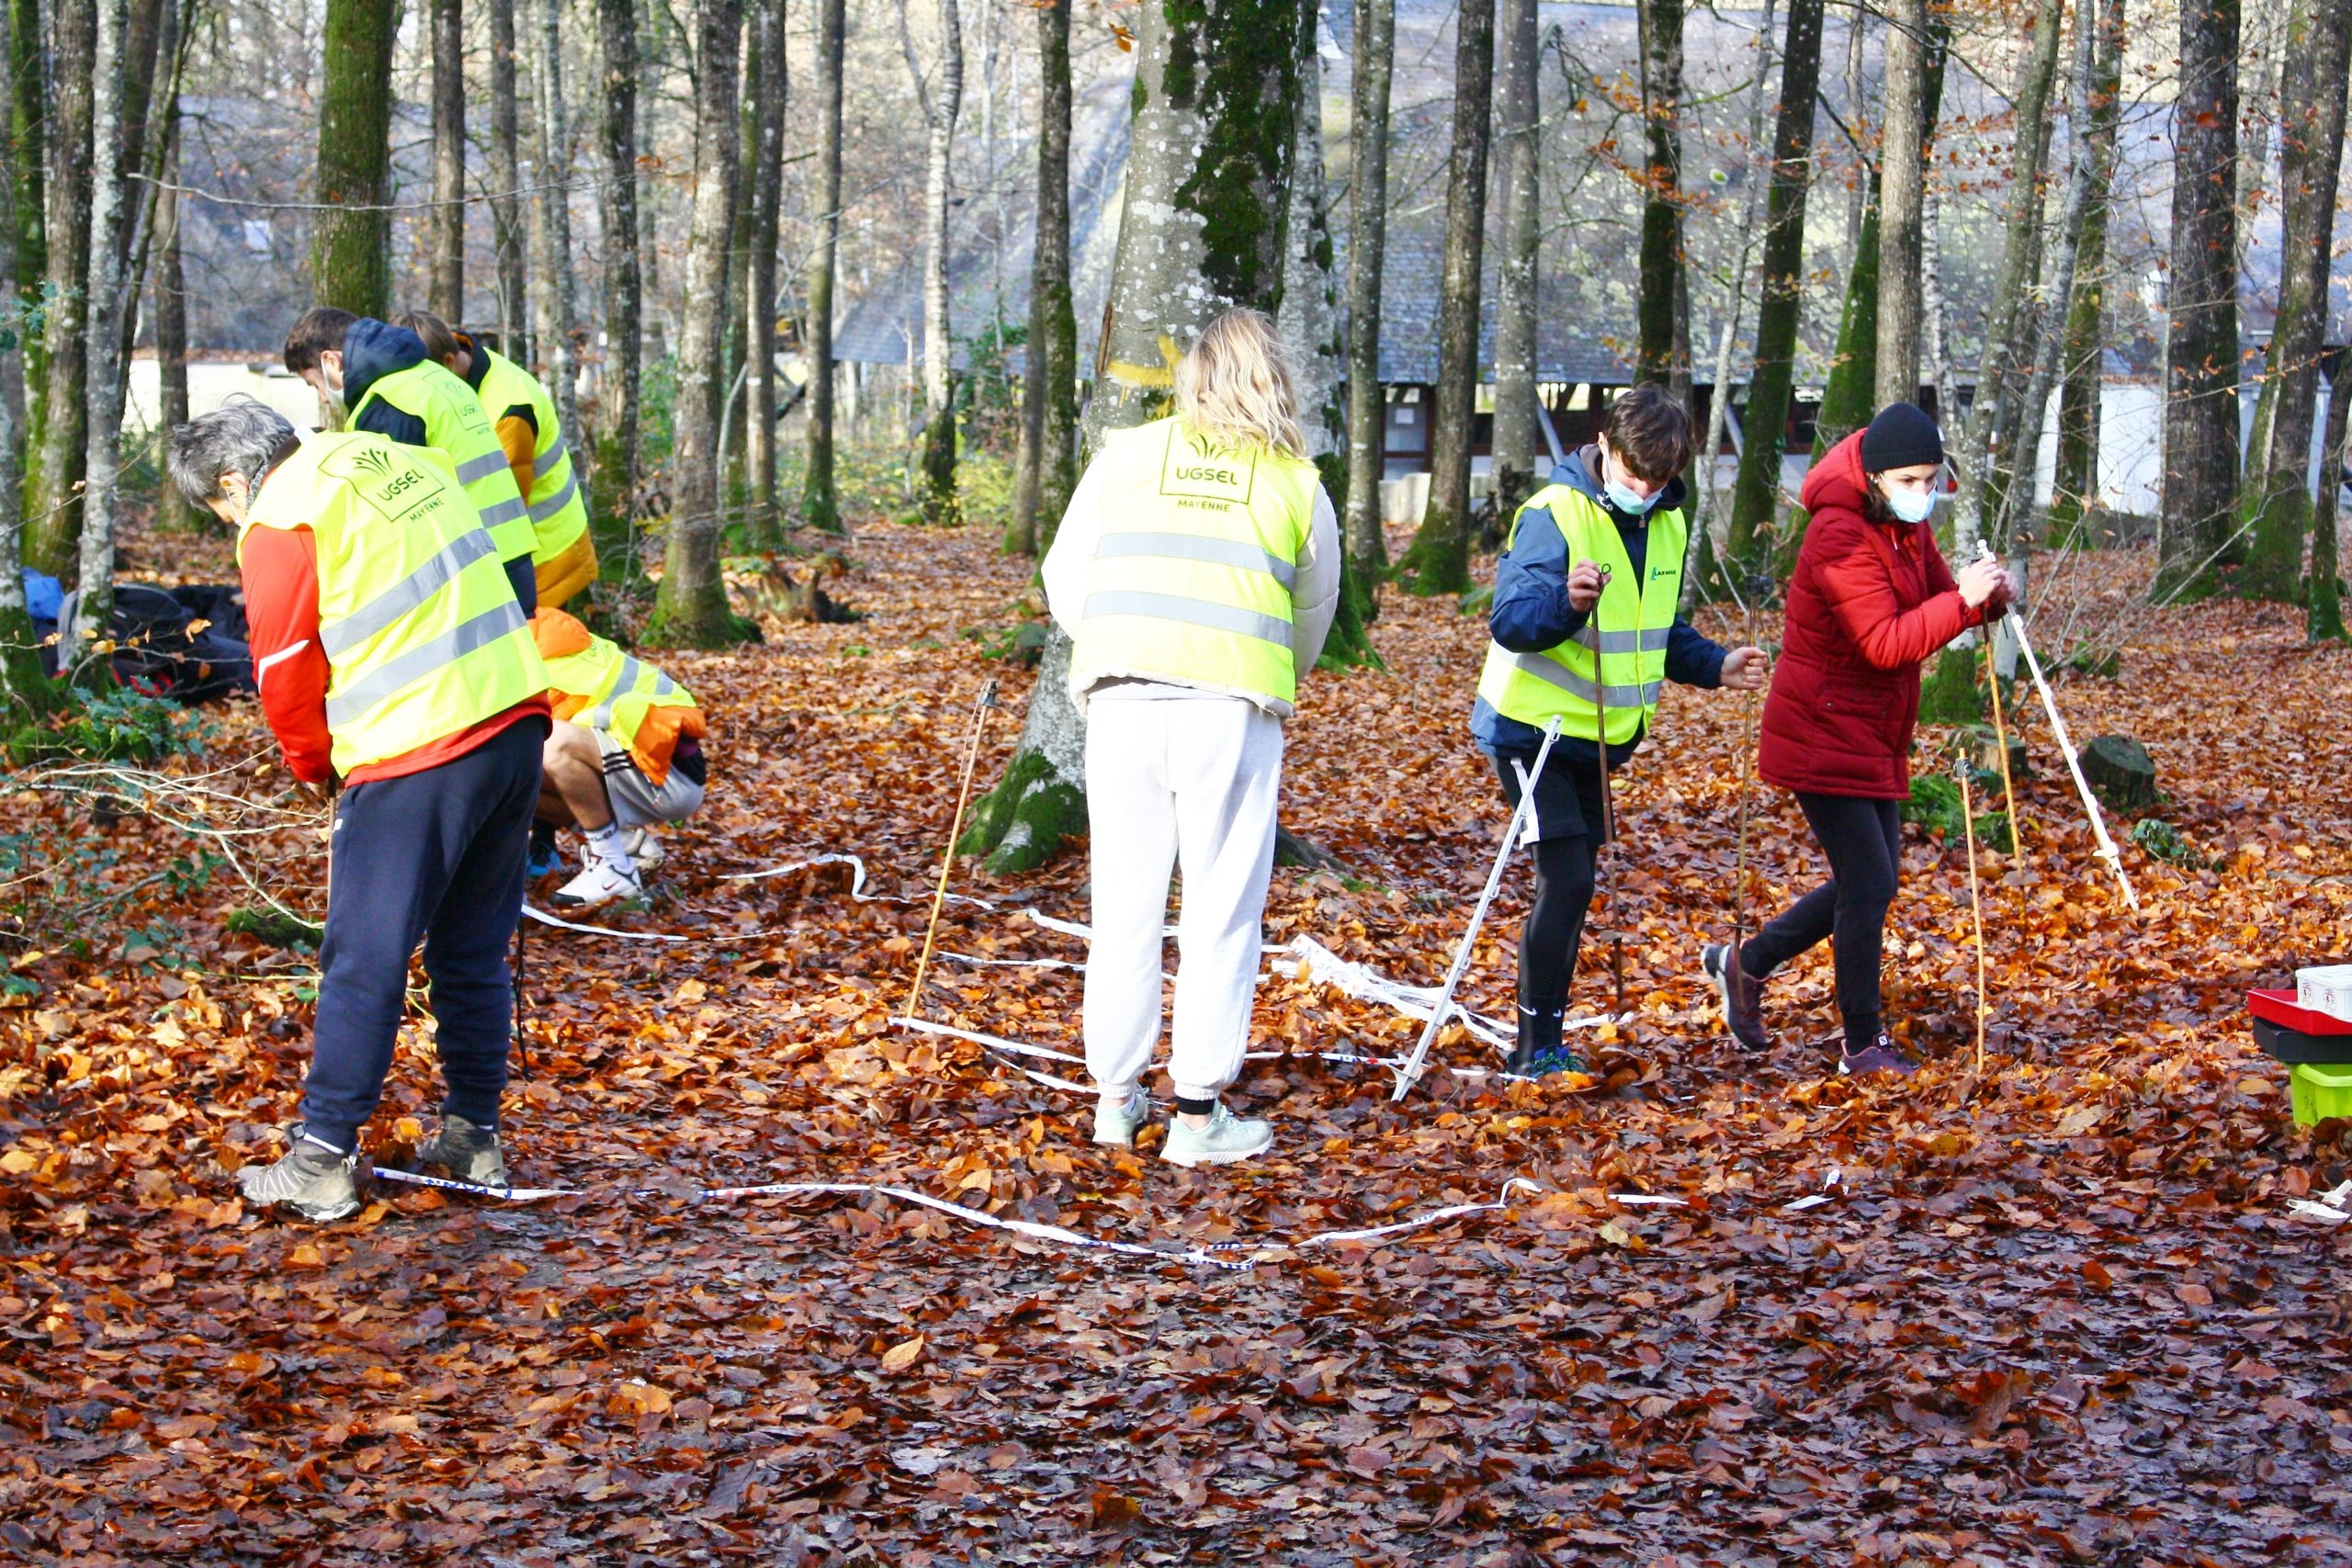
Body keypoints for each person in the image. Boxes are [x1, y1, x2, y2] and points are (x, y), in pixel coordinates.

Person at [167, 399, 550, 1221]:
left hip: (418, 746)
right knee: (471, 948)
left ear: (233, 480)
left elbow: (283, 669)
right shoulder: (390, 458)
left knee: (362, 957)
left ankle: (322, 1157)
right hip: (514, 718)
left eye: (219, 508)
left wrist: (312, 765)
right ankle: (473, 1137)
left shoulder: (283, 517)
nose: (229, 522)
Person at [1040, 308, 1339, 1167]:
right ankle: (1198, 1114)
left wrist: (1121, 637)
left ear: (1191, 377)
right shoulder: (1295, 483)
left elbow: (1064, 575)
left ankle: (1114, 1099)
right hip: (1230, 709)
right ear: (1271, 377)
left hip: (1123, 699)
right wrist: (1269, 668)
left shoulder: (1124, 458)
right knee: (1221, 911)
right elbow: (1313, 612)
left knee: (1123, 906)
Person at [1702, 402, 2012, 1076]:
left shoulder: (1906, 529)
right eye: (1908, 481)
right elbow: (1884, 642)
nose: (1921, 493)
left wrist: (1986, 596)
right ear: (1874, 477)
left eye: (1930, 480)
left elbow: (1938, 600)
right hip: (1820, 729)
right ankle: (1862, 1043)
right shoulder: (1836, 534)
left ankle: (1746, 963)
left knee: (1870, 880)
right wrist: (1961, 601)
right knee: (1869, 884)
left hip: (1873, 730)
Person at [1473, 384, 1770, 1076]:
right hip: (1531, 730)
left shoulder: (1669, 522)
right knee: (1568, 881)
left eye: (1659, 481)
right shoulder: (1554, 512)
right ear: (1604, 447)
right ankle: (1534, 1049)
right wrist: (1567, 603)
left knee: (1576, 885)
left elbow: (1656, 627)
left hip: (1601, 739)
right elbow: (1510, 619)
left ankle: (1550, 1038)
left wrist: (1716, 665)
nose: (1643, 491)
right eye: (1634, 475)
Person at [281, 308, 538, 613]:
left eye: (315, 384)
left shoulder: (387, 403)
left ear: (331, 362)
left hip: (471, 574)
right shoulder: (437, 376)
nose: (324, 398)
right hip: (511, 554)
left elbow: (393, 519)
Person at [395, 310, 600, 609]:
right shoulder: (468, 369)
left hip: (546, 557)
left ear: (448, 362)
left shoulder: (508, 411)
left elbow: (503, 507)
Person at [527, 606, 707, 908]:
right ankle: (626, 846)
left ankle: (612, 865)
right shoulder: (535, 632)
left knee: (549, 742)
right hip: (646, 760)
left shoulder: (534, 655)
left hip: (669, 774)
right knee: (510, 775)